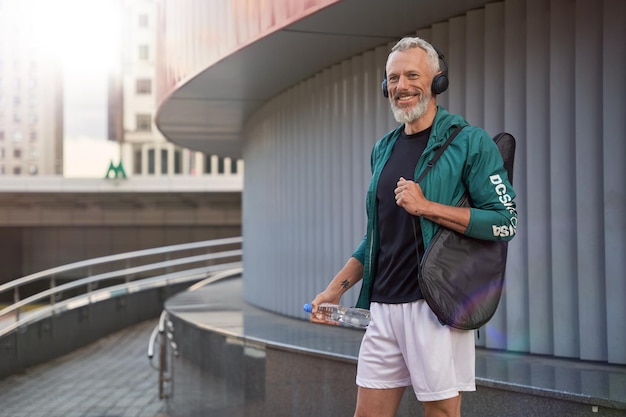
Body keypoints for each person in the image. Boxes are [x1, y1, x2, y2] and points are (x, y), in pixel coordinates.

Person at [309, 36, 518, 417]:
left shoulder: (469, 143)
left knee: (440, 413)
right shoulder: (383, 148)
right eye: (392, 78)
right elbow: (376, 237)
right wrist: (335, 289)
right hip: (382, 308)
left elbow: (505, 222)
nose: (401, 87)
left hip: (434, 306)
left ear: (438, 81)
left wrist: (427, 208)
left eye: (411, 75)